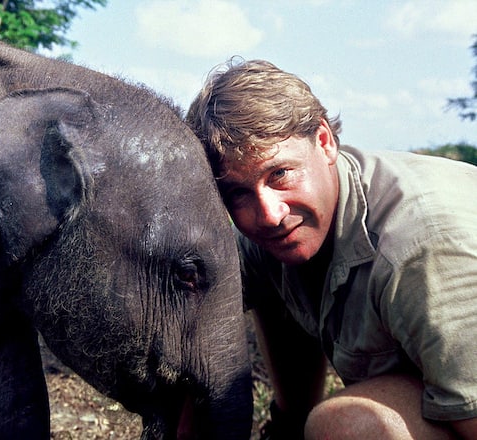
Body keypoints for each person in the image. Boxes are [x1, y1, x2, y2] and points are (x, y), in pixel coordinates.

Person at [185, 58, 477, 439]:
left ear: (324, 141)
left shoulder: (421, 249)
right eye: (238, 193)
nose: (269, 214)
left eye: (280, 174)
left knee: (343, 428)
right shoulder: (279, 229)